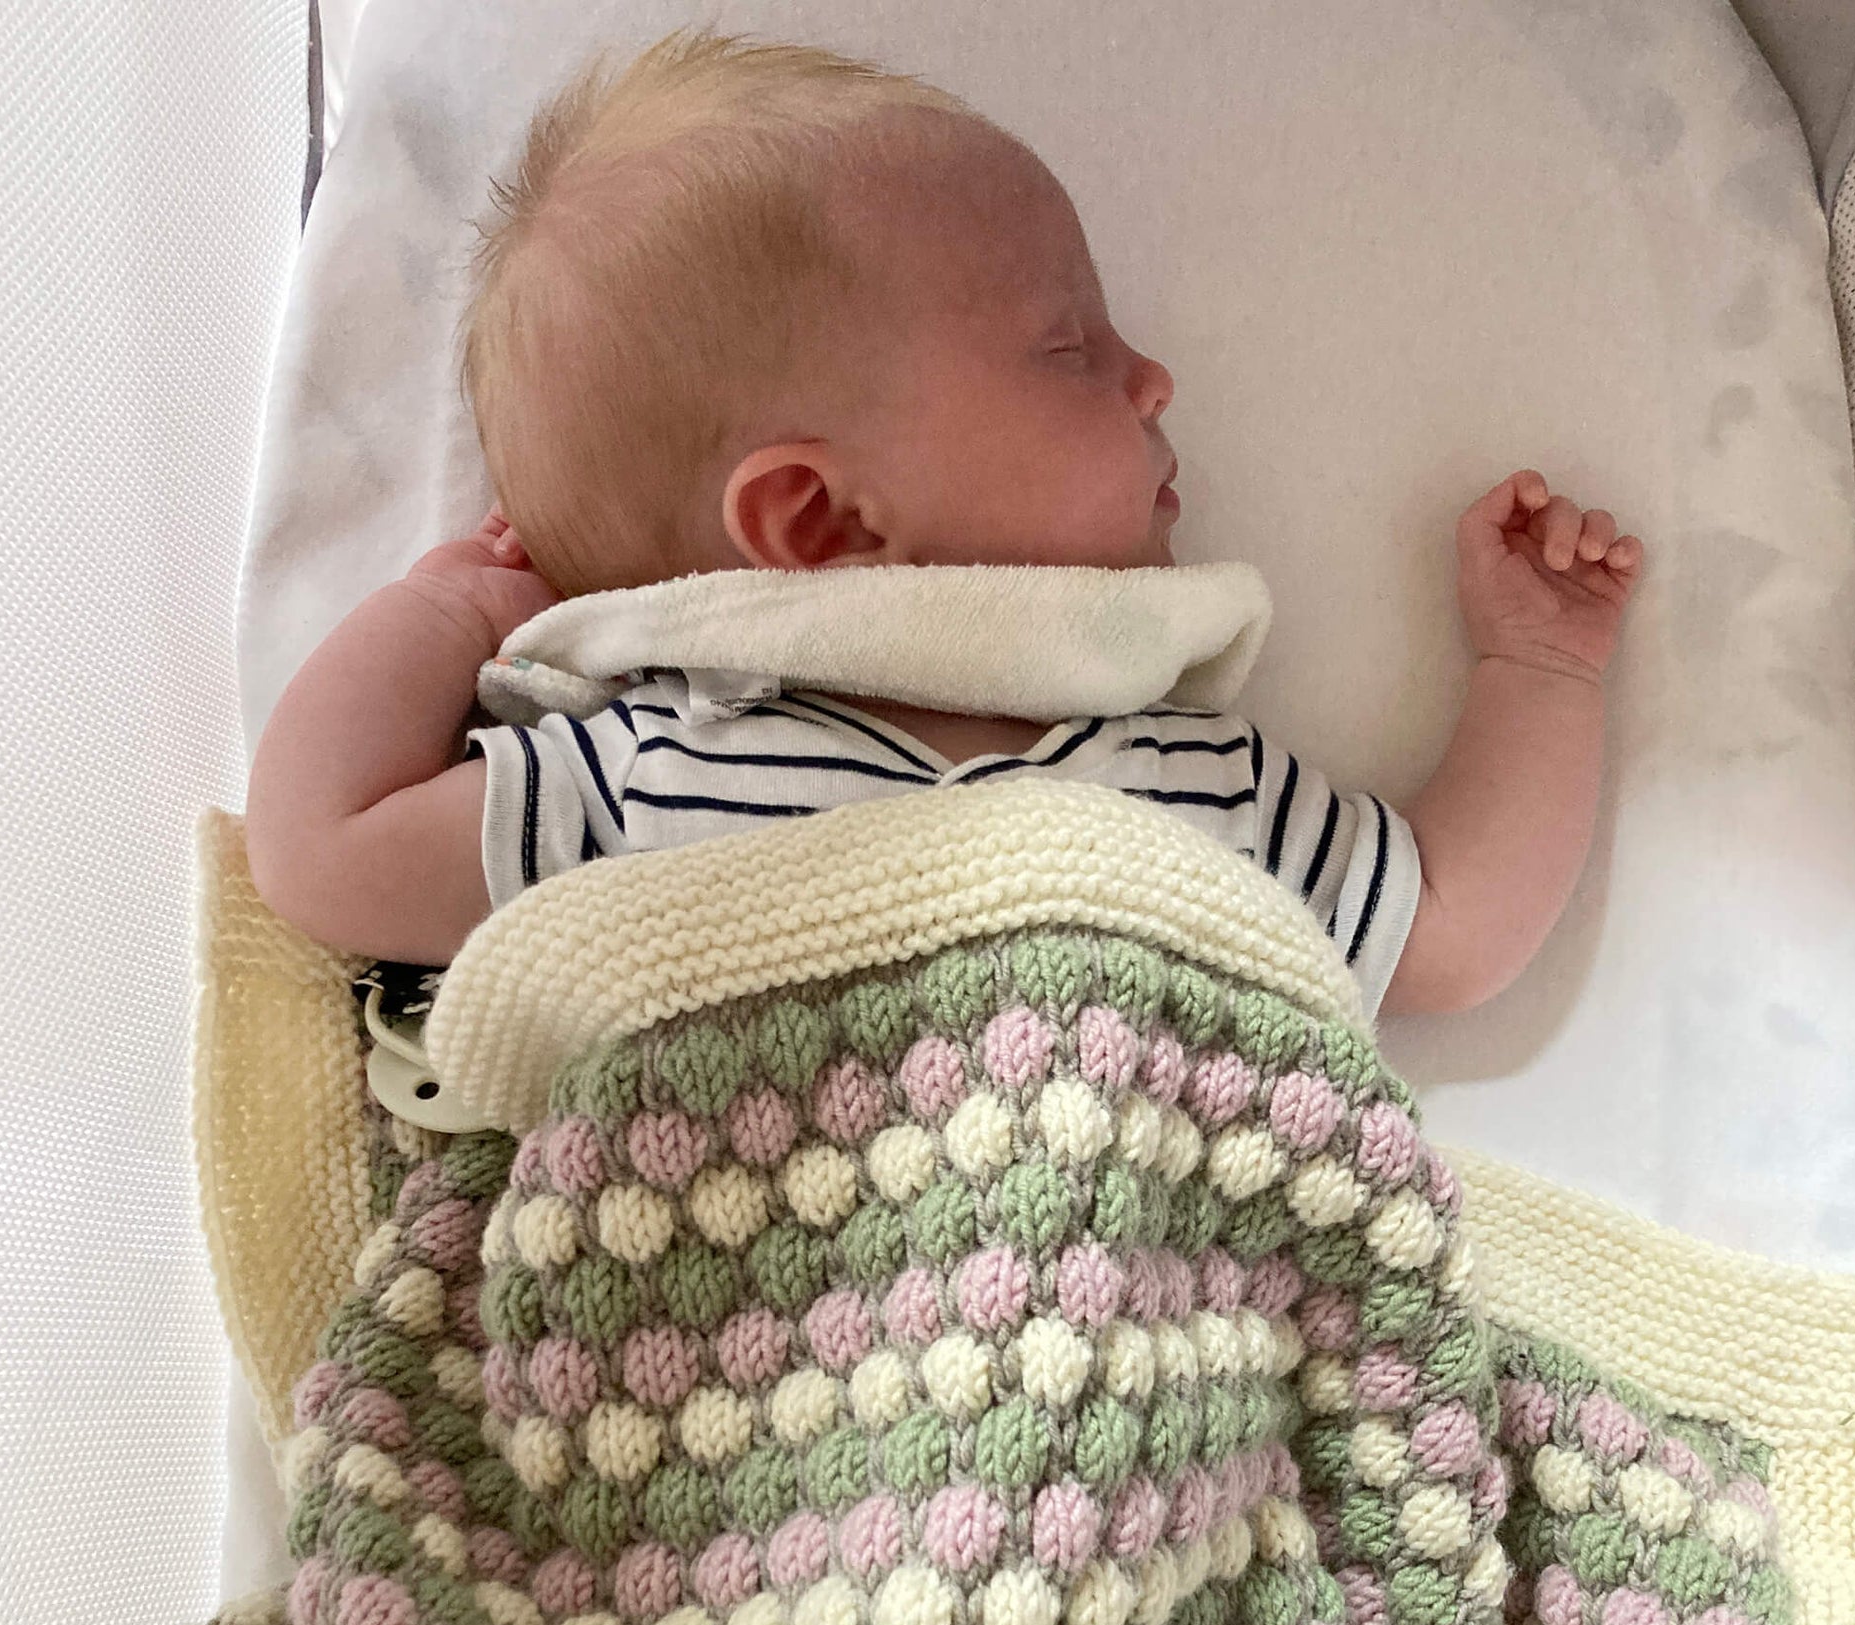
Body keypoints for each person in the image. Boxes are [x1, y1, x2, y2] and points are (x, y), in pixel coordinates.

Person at [245, 28, 1644, 1018]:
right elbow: (321, 854)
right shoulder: (651, 773)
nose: (1154, 379)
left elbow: (1444, 932)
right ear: (820, 515)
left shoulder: (1190, 784)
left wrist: (1538, 671)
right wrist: (446, 611)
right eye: (1067, 349)